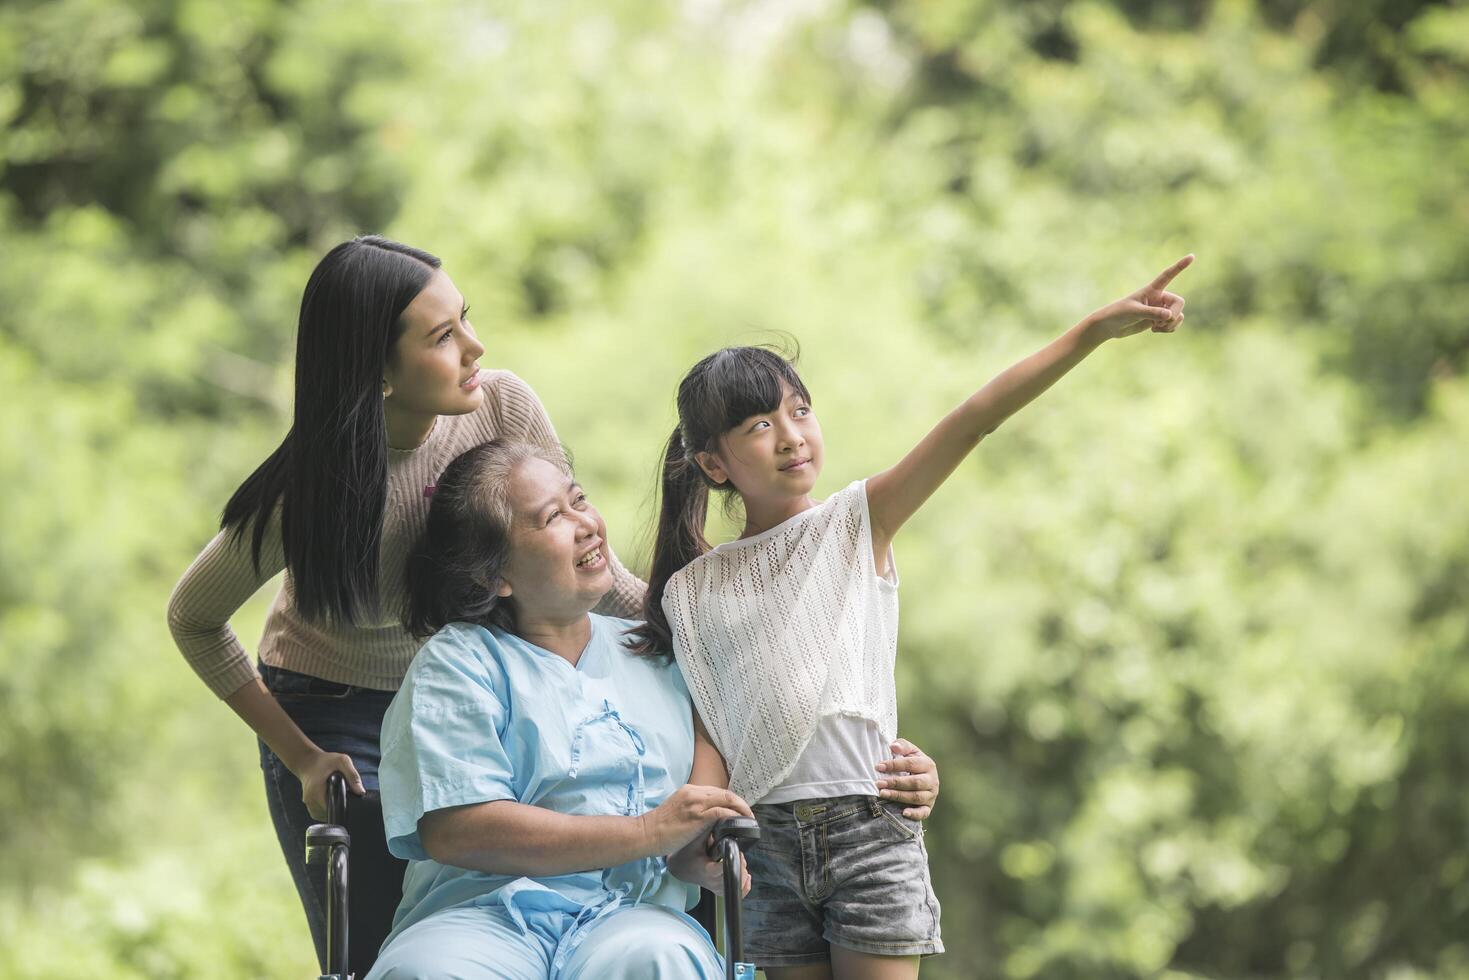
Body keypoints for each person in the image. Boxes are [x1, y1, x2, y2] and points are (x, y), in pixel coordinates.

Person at [632, 256, 1195, 978]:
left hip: (868, 828)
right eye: (757, 425)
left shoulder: (855, 523)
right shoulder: (694, 589)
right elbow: (716, 727)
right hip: (761, 843)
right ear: (713, 465)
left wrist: (1089, 332)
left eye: (798, 411)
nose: (790, 435)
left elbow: (973, 421)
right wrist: (702, 832)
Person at [165, 236, 644, 970]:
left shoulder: (502, 407)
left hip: (476, 696)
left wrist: (686, 625)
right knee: (374, 950)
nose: (476, 347)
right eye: (444, 336)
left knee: (510, 921)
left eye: (466, 320)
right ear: (377, 371)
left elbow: (587, 560)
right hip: (339, 717)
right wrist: (300, 756)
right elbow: (194, 619)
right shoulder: (309, 494)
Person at [368, 440, 942, 978]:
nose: (586, 524)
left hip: (631, 915)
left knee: (661, 959)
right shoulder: (459, 663)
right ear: (494, 575)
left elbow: (777, 728)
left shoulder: (662, 653)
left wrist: (897, 771)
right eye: (551, 518)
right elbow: (457, 829)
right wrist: (648, 831)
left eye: (579, 500)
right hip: (480, 918)